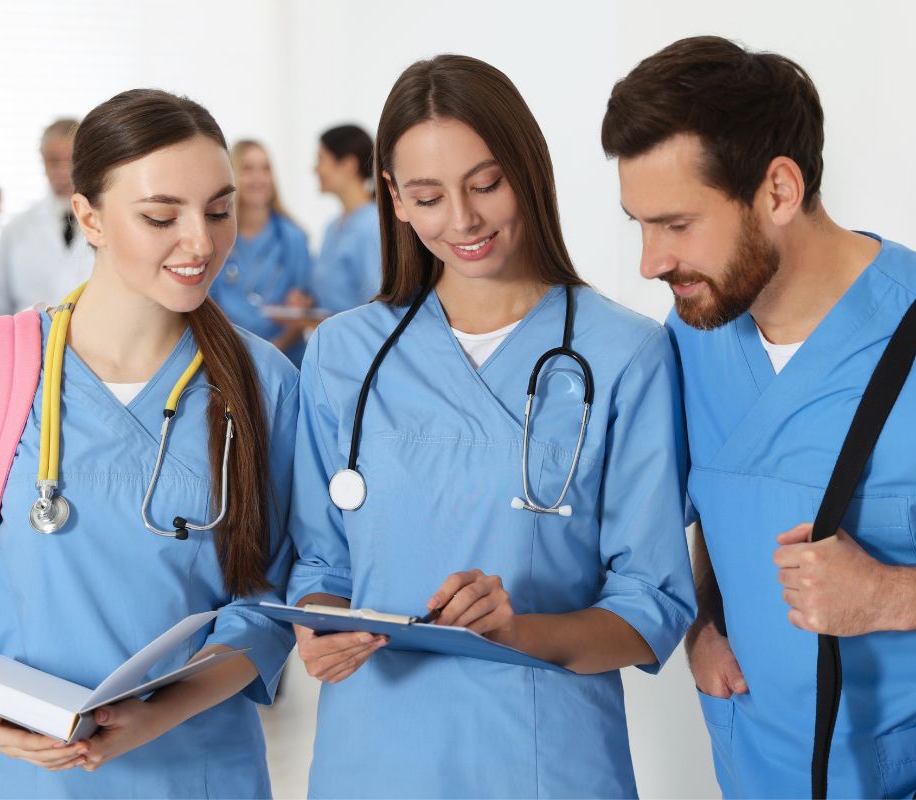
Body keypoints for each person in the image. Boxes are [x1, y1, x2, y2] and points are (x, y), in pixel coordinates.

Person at [602, 35, 916, 798]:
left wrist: (892, 595)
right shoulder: (695, 333)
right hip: (758, 767)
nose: (650, 262)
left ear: (778, 191)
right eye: (639, 224)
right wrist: (702, 619)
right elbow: (732, 490)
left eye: (676, 224)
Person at [288, 54, 695, 798]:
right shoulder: (343, 354)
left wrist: (519, 633)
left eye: (485, 184)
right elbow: (319, 567)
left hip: (545, 758)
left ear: (529, 170)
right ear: (395, 201)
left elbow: (652, 604)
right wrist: (316, 626)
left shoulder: (625, 353)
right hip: (371, 755)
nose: (464, 220)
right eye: (429, 196)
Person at [0, 89, 298, 797]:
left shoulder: (265, 384)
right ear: (89, 217)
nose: (200, 241)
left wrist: (155, 714)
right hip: (17, 776)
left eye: (219, 211)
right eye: (162, 216)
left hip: (196, 771)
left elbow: (270, 603)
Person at [209, 140, 311, 365]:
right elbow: (208, 306)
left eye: (265, 169)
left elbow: (301, 308)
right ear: (231, 177)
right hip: (229, 359)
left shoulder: (293, 238)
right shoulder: (215, 238)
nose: (258, 178)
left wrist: (272, 352)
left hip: (284, 360)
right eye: (248, 169)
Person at [0, 118, 94, 313]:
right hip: (30, 340)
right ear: (42, 160)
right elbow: (1, 307)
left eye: (72, 160)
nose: (64, 171)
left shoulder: (107, 222)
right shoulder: (16, 229)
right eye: (54, 161)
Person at [293, 124, 380, 319]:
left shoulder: (372, 225)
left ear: (348, 164)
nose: (315, 168)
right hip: (335, 339)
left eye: (321, 159)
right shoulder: (332, 227)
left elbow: (378, 302)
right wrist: (309, 301)